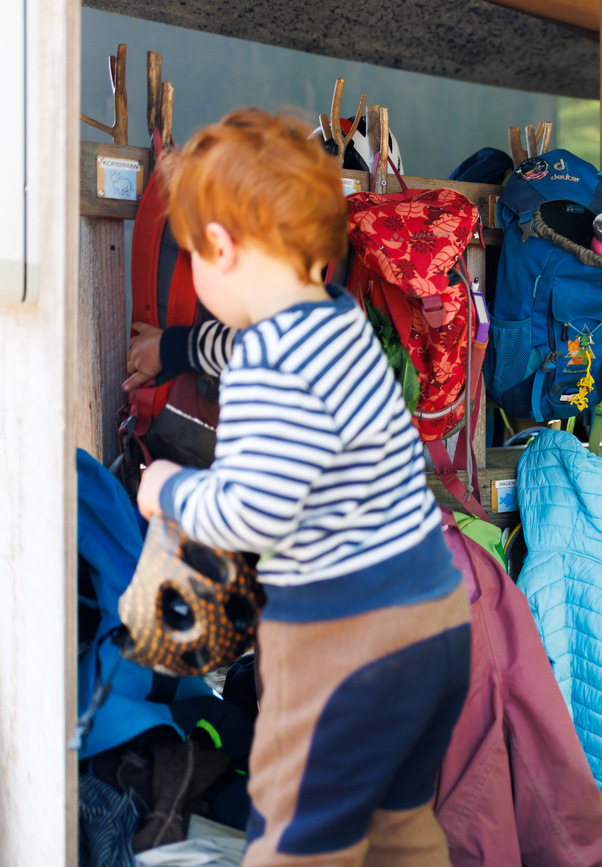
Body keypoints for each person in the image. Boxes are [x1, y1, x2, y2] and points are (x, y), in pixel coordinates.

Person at [131, 107, 470, 867]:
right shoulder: (338, 318)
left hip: (346, 650)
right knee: (399, 828)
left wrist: (170, 490)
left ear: (218, 247)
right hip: (435, 629)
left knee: (298, 843)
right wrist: (178, 346)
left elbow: (253, 512)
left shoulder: (262, 366)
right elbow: (252, 328)